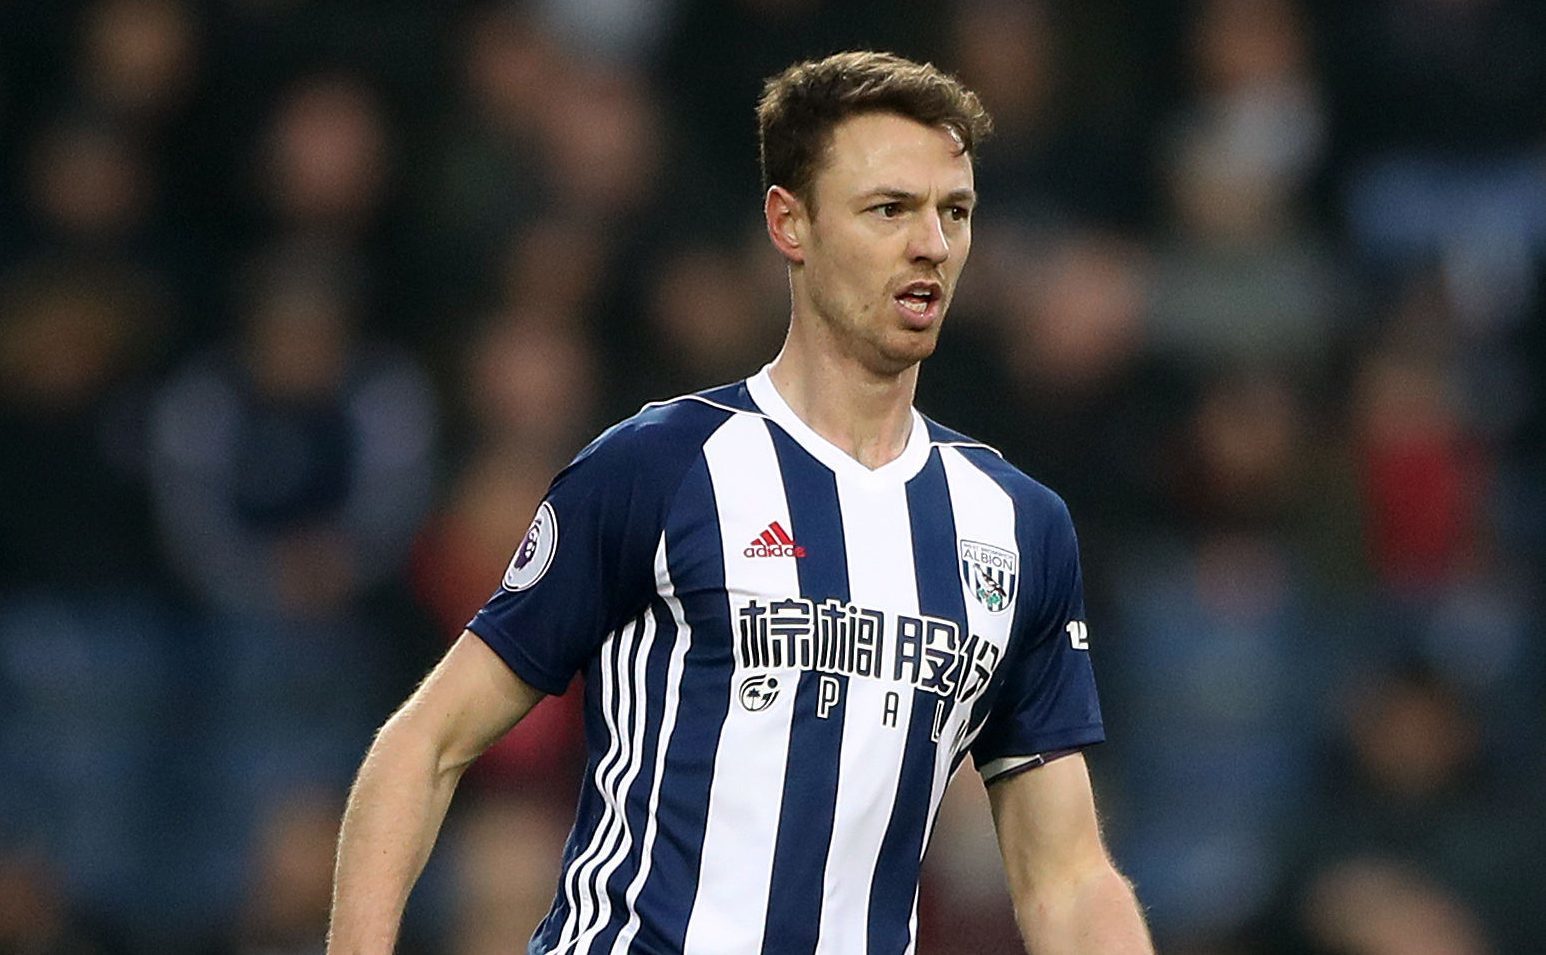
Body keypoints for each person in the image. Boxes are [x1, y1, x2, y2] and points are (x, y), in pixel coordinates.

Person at [328, 50, 1153, 954]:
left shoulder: (1016, 525)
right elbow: (425, 745)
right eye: (889, 208)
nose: (931, 244)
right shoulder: (662, 467)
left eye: (953, 212)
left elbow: (1066, 875)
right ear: (788, 223)